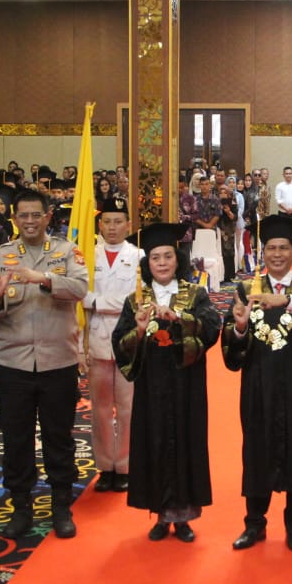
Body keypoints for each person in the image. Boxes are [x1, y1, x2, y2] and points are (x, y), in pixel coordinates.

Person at [0, 189, 89, 539]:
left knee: (59, 435)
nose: (29, 221)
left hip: (59, 359)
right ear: (14, 218)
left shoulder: (66, 251)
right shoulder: (1, 255)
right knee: (16, 437)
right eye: (22, 216)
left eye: (35, 215)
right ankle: (21, 506)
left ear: (47, 216)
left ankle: (61, 506)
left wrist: (43, 279)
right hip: (13, 362)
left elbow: (81, 288)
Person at [222, 215, 292, 553]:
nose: (276, 254)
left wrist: (286, 302)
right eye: (270, 247)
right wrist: (239, 327)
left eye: (284, 247)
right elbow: (232, 342)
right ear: (263, 251)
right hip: (259, 384)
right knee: (257, 451)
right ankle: (254, 524)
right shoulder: (246, 289)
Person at [112, 222, 222, 543]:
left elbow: (212, 328)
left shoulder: (194, 293)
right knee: (155, 442)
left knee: (186, 442)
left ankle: (184, 516)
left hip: (186, 381)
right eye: (155, 258)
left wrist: (181, 320)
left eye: (167, 257)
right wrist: (139, 328)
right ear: (147, 263)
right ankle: (161, 514)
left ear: (178, 260)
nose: (161, 263)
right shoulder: (136, 300)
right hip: (151, 385)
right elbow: (120, 341)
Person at [83, 200, 141, 493]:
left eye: (119, 221)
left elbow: (135, 302)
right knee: (101, 409)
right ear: (99, 225)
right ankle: (105, 466)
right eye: (107, 222)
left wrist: (97, 303)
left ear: (128, 225)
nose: (113, 227)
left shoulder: (138, 256)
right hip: (96, 340)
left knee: (128, 408)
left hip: (128, 341)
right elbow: (80, 295)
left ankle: (126, 465)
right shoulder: (86, 255)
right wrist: (98, 303)